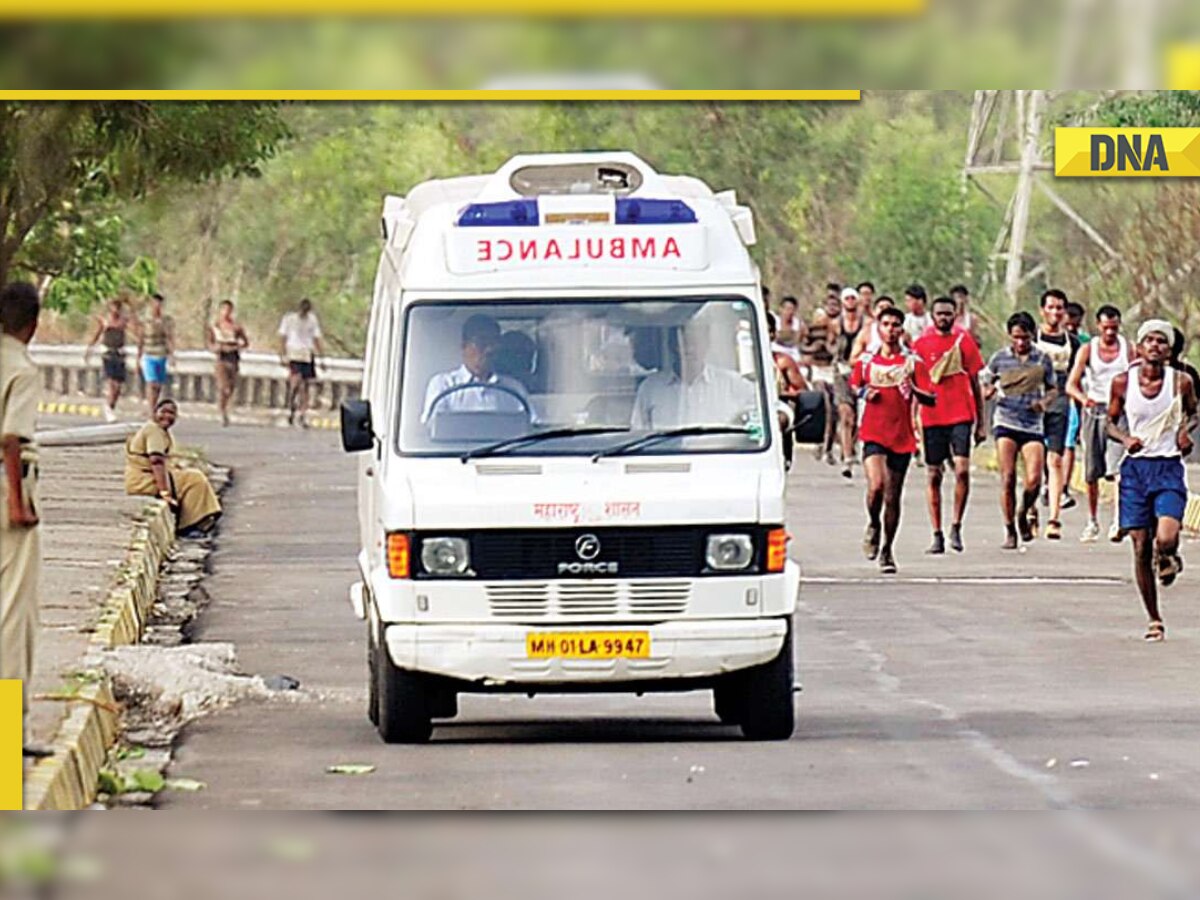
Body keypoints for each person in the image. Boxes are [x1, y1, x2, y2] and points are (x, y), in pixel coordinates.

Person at [1105, 320, 1197, 642]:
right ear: (1140, 347)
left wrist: (1185, 431)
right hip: (1135, 471)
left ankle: (1168, 554)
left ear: (1169, 350)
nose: (1155, 346)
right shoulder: (1121, 382)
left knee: (1166, 536)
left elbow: (1194, 412)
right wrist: (1124, 437)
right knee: (1141, 545)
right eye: (1149, 340)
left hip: (1168, 466)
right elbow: (1109, 422)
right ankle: (1154, 618)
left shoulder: (1181, 382)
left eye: (1161, 341)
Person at [1, 282, 53, 759]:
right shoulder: (20, 367)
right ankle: (8, 735)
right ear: (32, 323)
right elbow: (11, 439)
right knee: (14, 617)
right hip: (7, 488)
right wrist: (18, 502)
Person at [851, 306, 934, 574]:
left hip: (901, 434)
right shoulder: (866, 361)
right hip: (873, 431)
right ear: (878, 327)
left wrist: (916, 391)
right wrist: (866, 392)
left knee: (893, 494)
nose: (891, 330)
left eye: (896, 325)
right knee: (876, 485)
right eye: (886, 324)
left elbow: (929, 395)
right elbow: (855, 384)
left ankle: (887, 549)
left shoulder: (912, 363)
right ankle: (873, 523)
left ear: (902, 329)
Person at [913, 296, 986, 554]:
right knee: (933, 474)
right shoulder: (921, 344)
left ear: (955, 316)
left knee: (962, 470)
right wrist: (914, 419)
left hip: (960, 414)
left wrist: (981, 421)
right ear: (932, 316)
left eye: (948, 314)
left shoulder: (963, 341)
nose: (944, 318)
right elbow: (915, 384)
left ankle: (956, 524)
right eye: (939, 314)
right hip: (932, 416)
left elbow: (976, 381)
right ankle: (937, 532)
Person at [981, 311, 1057, 550]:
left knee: (1034, 479)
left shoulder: (1042, 359)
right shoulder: (999, 358)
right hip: (1006, 420)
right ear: (1010, 336)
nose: (1021, 343)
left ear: (1032, 336)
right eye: (1016, 338)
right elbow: (985, 382)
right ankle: (1010, 528)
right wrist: (988, 392)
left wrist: (1044, 403)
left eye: (1025, 337)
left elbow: (1054, 388)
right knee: (1008, 477)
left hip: (1032, 423)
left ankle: (1024, 511)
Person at [1066, 305, 1133, 542]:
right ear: (1098, 326)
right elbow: (1071, 384)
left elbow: (1136, 377)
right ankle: (1092, 521)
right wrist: (1085, 400)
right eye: (1106, 328)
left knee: (1118, 469)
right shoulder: (1088, 349)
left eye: (1114, 328)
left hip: (1120, 412)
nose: (1110, 333)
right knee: (1092, 470)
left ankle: (1118, 520)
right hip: (1094, 411)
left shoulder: (1128, 349)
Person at [630, 317, 756, 430]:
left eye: (695, 341)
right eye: (683, 342)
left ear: (707, 343)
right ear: (672, 345)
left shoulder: (734, 385)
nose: (690, 349)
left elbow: (760, 418)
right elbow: (637, 436)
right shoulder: (650, 389)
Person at [125, 399, 222, 537]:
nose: (167, 416)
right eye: (163, 412)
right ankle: (188, 524)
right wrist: (165, 492)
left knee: (192, 475)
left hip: (150, 476)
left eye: (171, 413)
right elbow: (156, 461)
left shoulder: (162, 432)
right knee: (194, 478)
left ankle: (201, 517)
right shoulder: (153, 430)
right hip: (144, 479)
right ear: (154, 413)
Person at [423, 314, 533, 424]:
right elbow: (434, 428)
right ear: (464, 346)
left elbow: (533, 427)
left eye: (494, 343)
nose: (489, 350)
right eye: (482, 342)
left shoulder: (515, 389)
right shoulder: (443, 385)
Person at [1034, 289, 1081, 540]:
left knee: (1055, 459)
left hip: (1061, 402)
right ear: (1042, 310)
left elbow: (1077, 375)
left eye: (1059, 308)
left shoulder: (1072, 343)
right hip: (1032, 403)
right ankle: (1030, 507)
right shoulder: (1032, 337)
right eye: (1050, 307)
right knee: (1034, 460)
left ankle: (1053, 518)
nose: (1055, 312)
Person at [833, 286, 866, 478]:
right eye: (847, 299)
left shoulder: (867, 324)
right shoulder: (834, 324)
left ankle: (852, 446)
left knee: (859, 417)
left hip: (861, 371)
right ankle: (846, 456)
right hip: (841, 371)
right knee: (846, 414)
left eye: (854, 298)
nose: (851, 302)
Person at [278, 298, 326, 428]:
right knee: (296, 383)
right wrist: (282, 354)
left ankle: (302, 414)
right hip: (294, 353)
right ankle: (292, 407)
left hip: (306, 354)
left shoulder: (312, 320)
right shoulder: (289, 319)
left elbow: (316, 338)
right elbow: (283, 337)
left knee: (305, 386)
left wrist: (321, 358)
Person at [769, 312, 809, 470]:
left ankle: (781, 454)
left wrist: (782, 393)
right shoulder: (737, 361)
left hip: (778, 405)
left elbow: (802, 390)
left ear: (773, 334)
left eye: (767, 331)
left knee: (778, 421)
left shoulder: (782, 361)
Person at [84, 297, 134, 422]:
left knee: (118, 386)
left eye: (118, 308)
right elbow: (97, 335)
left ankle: (110, 406)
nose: (115, 311)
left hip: (119, 353)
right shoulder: (105, 321)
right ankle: (109, 409)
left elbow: (136, 328)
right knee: (112, 383)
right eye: (113, 308)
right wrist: (89, 350)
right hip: (108, 353)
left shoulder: (124, 321)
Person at [208, 300, 249, 427]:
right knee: (223, 387)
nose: (226, 312)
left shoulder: (236, 327)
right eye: (224, 309)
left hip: (233, 358)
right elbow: (209, 343)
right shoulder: (215, 326)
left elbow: (245, 342)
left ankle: (224, 406)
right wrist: (215, 348)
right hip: (221, 358)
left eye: (228, 310)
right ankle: (222, 412)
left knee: (230, 388)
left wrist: (238, 346)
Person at [137, 292, 174, 412]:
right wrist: (139, 356)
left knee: (158, 385)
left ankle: (154, 404)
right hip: (149, 354)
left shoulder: (166, 321)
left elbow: (169, 338)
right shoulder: (145, 321)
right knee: (151, 382)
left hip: (161, 354)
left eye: (159, 303)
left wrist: (172, 355)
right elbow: (140, 339)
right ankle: (151, 409)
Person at [774, 295, 804, 363]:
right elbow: (775, 337)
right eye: (787, 309)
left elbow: (796, 340)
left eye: (792, 309)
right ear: (781, 309)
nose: (789, 312)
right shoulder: (775, 321)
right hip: (777, 352)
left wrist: (782, 336)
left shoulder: (797, 323)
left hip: (793, 354)